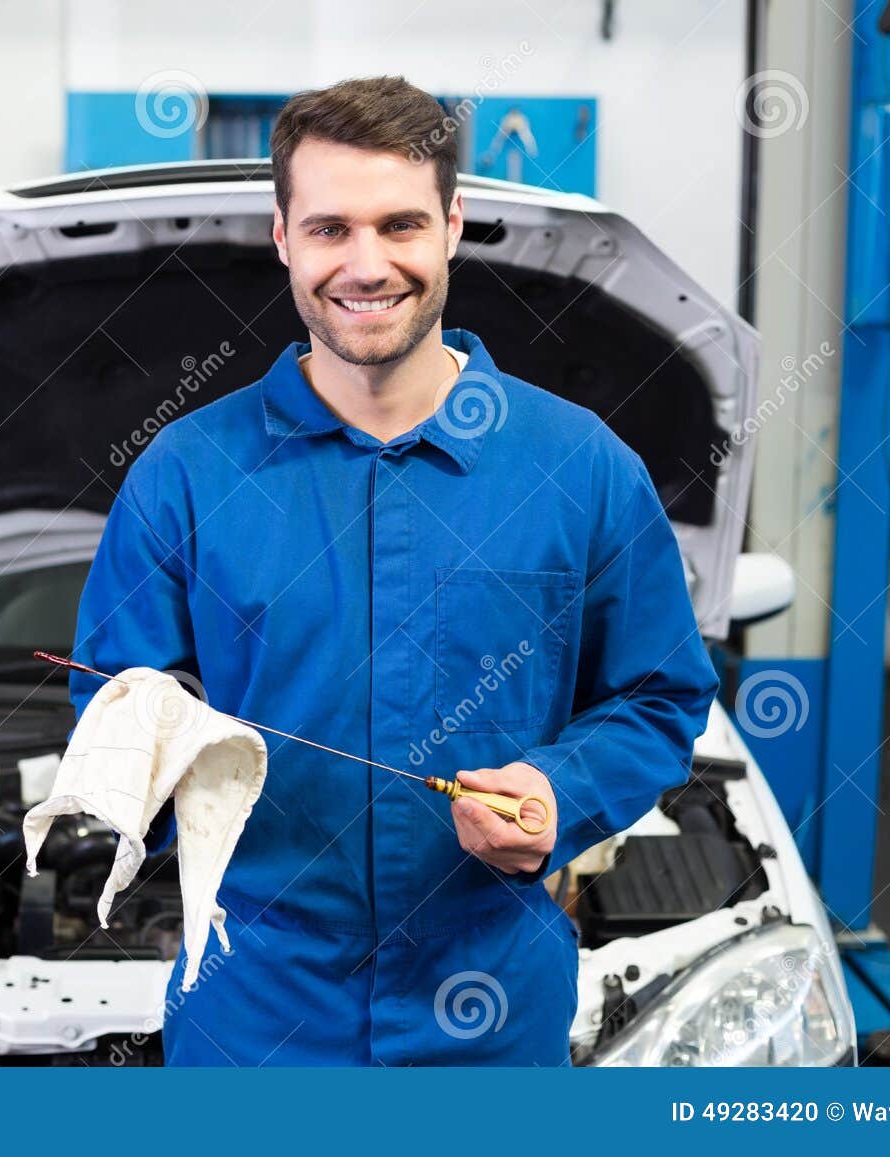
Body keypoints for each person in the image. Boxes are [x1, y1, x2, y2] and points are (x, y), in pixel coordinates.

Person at [68, 75, 718, 1065]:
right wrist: (149, 768)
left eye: (399, 224)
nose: (366, 264)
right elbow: (110, 708)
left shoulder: (578, 466)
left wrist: (560, 788)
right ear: (283, 235)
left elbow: (659, 693)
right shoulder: (188, 473)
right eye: (330, 228)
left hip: (491, 1005)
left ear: (452, 225)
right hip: (253, 1003)